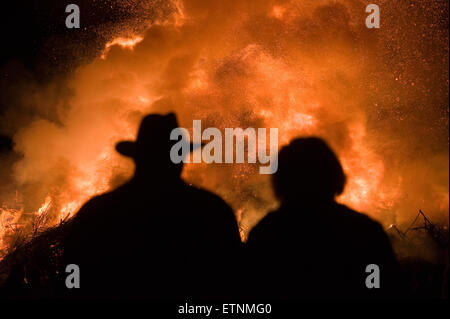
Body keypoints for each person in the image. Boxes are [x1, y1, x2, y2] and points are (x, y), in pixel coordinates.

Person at [61, 113, 242, 299]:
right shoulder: (210, 212)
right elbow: (235, 279)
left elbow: (71, 272)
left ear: (137, 158)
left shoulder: (97, 211)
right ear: (180, 158)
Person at [246, 137, 404, 299]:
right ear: (333, 176)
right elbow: (387, 289)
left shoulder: (266, 234)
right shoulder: (364, 231)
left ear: (280, 180)